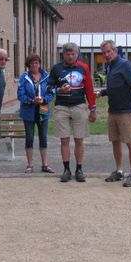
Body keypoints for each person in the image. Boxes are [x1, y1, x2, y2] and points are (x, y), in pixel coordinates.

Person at [97, 39, 131, 187]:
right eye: (104, 52)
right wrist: (103, 93)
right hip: (112, 111)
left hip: (126, 111)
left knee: (130, 142)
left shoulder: (125, 65)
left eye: (109, 51)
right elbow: (116, 86)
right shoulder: (109, 67)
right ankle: (119, 171)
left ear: (115, 51)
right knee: (115, 142)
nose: (106, 55)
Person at [46, 42, 96, 182]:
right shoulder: (56, 68)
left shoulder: (83, 67)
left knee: (79, 139)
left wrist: (92, 108)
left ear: (77, 54)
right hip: (62, 107)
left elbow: (89, 90)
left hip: (79, 106)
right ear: (63, 54)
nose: (70, 56)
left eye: (73, 54)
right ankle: (66, 169)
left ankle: (79, 169)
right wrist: (58, 90)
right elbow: (48, 88)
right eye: (67, 54)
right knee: (64, 140)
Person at [17, 53, 55, 174]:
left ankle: (45, 164)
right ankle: (29, 165)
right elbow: (20, 94)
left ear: (39, 64)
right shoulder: (24, 77)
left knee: (43, 137)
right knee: (29, 137)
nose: (35, 65)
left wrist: (44, 99)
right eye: (32, 63)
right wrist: (30, 101)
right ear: (28, 65)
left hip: (43, 110)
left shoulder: (46, 76)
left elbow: (51, 92)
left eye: (37, 62)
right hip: (29, 110)